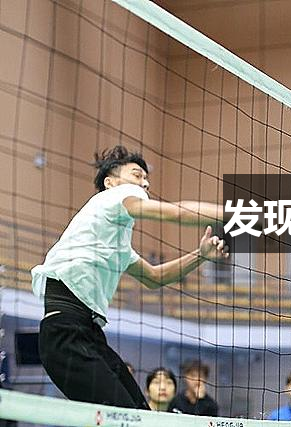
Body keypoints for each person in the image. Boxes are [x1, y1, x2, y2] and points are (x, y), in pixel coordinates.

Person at [31, 145, 229, 409]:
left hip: (87, 333)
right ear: (110, 182)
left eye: (146, 180)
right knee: (124, 417)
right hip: (65, 331)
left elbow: (155, 277)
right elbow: (177, 212)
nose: (144, 183)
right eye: (137, 175)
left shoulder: (114, 239)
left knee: (140, 414)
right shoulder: (113, 197)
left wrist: (201, 255)